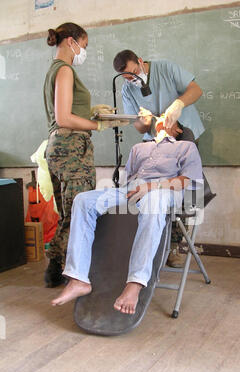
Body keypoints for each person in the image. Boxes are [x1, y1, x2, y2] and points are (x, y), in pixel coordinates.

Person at [51, 116, 203, 313]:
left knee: (153, 201)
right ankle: (78, 278)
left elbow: (185, 180)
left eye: (168, 116)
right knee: (83, 200)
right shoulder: (138, 148)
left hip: (165, 190)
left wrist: (151, 186)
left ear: (178, 130)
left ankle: (135, 283)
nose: (162, 116)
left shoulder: (185, 147)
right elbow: (127, 181)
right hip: (133, 189)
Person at [43, 22, 127, 288]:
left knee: (71, 210)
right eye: (84, 45)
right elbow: (64, 117)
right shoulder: (65, 70)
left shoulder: (54, 70)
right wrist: (98, 125)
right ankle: (66, 270)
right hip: (70, 149)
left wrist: (92, 112)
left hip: (58, 147)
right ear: (71, 41)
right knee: (80, 210)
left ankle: (58, 269)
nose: (84, 52)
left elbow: (68, 111)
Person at [113, 49, 205, 268]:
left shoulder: (165, 68)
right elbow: (138, 127)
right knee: (147, 193)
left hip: (182, 138)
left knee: (177, 193)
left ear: (141, 62)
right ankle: (149, 244)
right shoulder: (128, 90)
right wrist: (145, 123)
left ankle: (172, 246)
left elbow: (196, 90)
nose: (133, 79)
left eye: (135, 72)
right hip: (152, 145)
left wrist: (178, 104)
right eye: (128, 77)